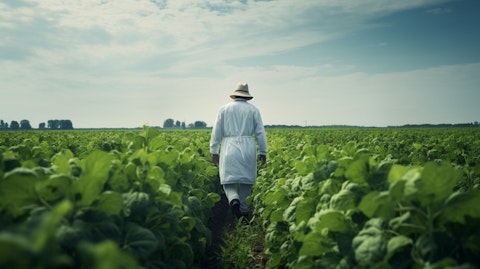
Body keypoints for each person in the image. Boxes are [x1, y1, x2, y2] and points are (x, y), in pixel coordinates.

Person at [210, 83, 267, 221]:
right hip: (248, 146)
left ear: (235, 95)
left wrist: (214, 150)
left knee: (227, 180)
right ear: (247, 96)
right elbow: (260, 132)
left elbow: (216, 131)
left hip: (228, 147)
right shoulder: (253, 110)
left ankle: (233, 199)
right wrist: (263, 151)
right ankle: (244, 213)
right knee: (246, 181)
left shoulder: (223, 109)